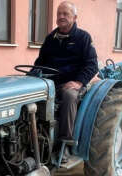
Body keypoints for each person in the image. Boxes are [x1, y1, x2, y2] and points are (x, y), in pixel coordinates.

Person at [34, 1, 98, 162]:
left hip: (71, 83)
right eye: (59, 13)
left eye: (65, 14)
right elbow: (40, 62)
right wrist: (31, 77)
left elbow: (92, 65)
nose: (61, 17)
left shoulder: (83, 38)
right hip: (51, 83)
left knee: (69, 96)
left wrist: (79, 82)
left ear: (74, 17)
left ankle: (65, 144)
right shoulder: (51, 38)